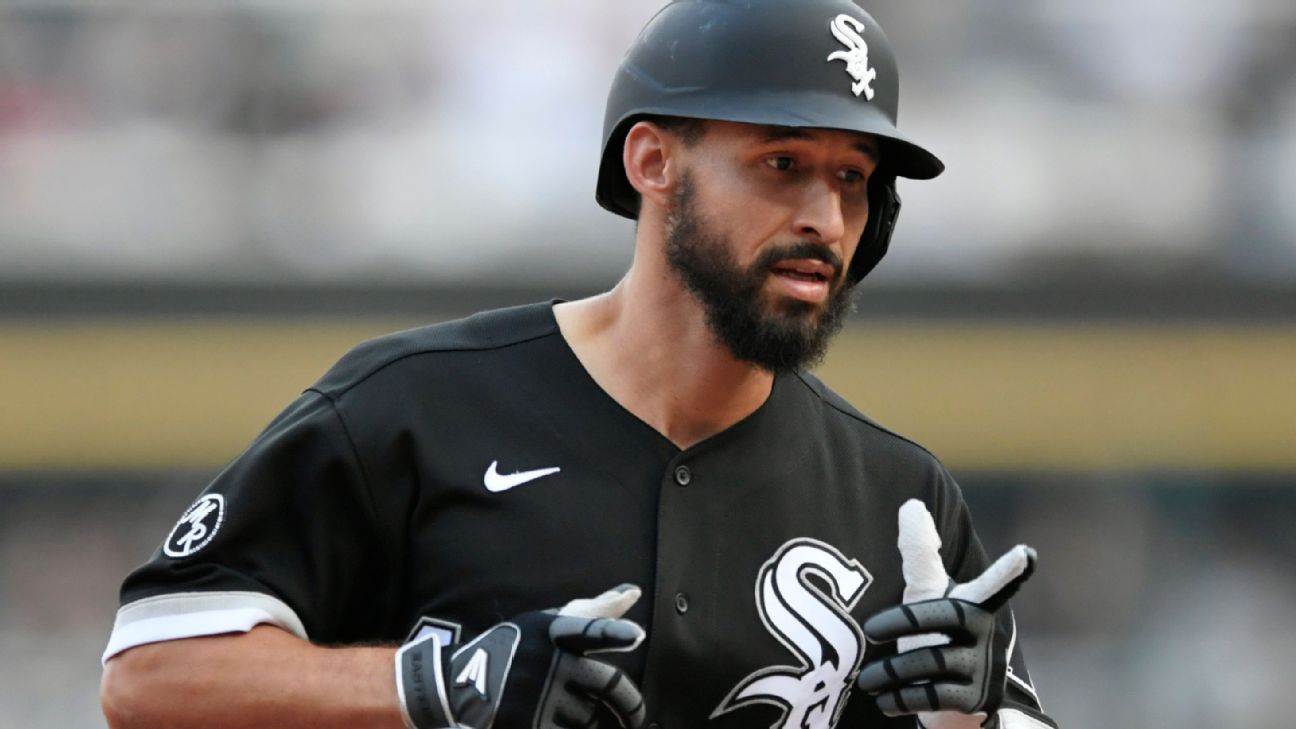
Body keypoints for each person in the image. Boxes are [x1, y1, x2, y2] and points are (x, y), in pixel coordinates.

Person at [100, 1, 1058, 728]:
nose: (825, 217)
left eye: (853, 177)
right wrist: (434, 683)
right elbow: (148, 674)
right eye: (782, 162)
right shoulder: (416, 408)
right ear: (653, 161)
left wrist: (975, 718)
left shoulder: (899, 495)